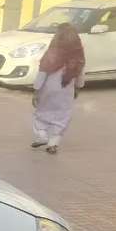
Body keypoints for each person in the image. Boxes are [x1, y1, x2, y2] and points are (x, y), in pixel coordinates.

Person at [31, 23, 85, 154]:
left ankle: (42, 135)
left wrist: (36, 90)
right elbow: (80, 74)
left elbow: (42, 72)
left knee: (42, 113)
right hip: (66, 90)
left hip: (48, 90)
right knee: (62, 116)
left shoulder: (52, 52)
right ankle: (53, 143)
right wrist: (78, 87)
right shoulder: (78, 54)